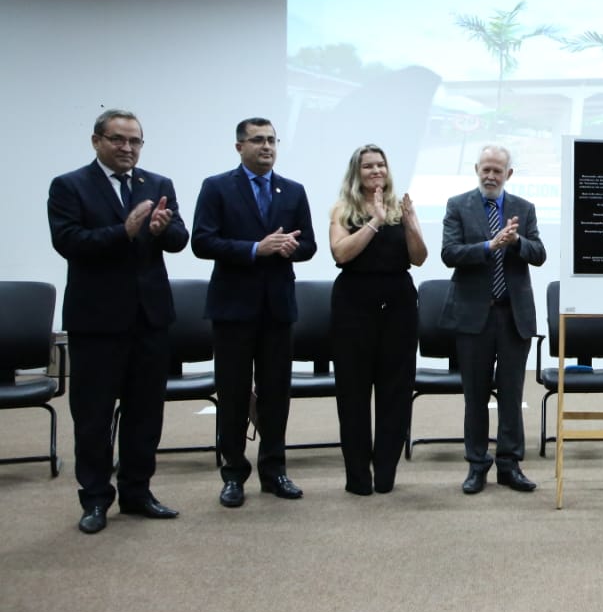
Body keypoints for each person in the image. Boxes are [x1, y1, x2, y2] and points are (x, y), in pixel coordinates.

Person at [48, 109, 189, 534]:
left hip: (150, 319)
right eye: (118, 139)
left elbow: (180, 239)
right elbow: (68, 242)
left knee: (145, 413)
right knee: (93, 416)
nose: (127, 148)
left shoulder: (158, 184)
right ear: (97, 141)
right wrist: (123, 231)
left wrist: (162, 229)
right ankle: (94, 499)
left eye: (135, 141)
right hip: (96, 322)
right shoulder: (70, 185)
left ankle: (137, 492)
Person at [192, 118, 317, 508]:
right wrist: (254, 249)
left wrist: (290, 248)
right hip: (233, 308)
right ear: (239, 147)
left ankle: (274, 471)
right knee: (233, 394)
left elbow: (310, 245)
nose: (267, 147)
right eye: (258, 140)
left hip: (277, 308)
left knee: (276, 393)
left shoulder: (293, 190)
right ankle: (233, 474)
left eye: (272, 140)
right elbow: (202, 242)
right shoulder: (217, 187)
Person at [440, 145, 545, 494]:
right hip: (474, 316)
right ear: (476, 169)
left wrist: (515, 242)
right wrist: (489, 246)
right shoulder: (458, 205)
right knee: (476, 395)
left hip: (514, 316)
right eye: (485, 169)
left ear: (508, 174)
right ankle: (476, 465)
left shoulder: (524, 209)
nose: (490, 176)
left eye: (497, 171)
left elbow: (539, 254)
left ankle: (509, 465)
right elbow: (449, 253)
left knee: (512, 395)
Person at [328, 145, 427, 496]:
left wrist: (410, 224)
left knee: (395, 393)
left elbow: (419, 258)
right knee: (353, 394)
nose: (376, 171)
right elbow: (341, 254)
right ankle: (358, 477)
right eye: (368, 166)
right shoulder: (343, 209)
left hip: (398, 306)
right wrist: (374, 221)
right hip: (353, 307)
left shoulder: (402, 207)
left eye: (380, 164)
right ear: (356, 172)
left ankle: (385, 472)